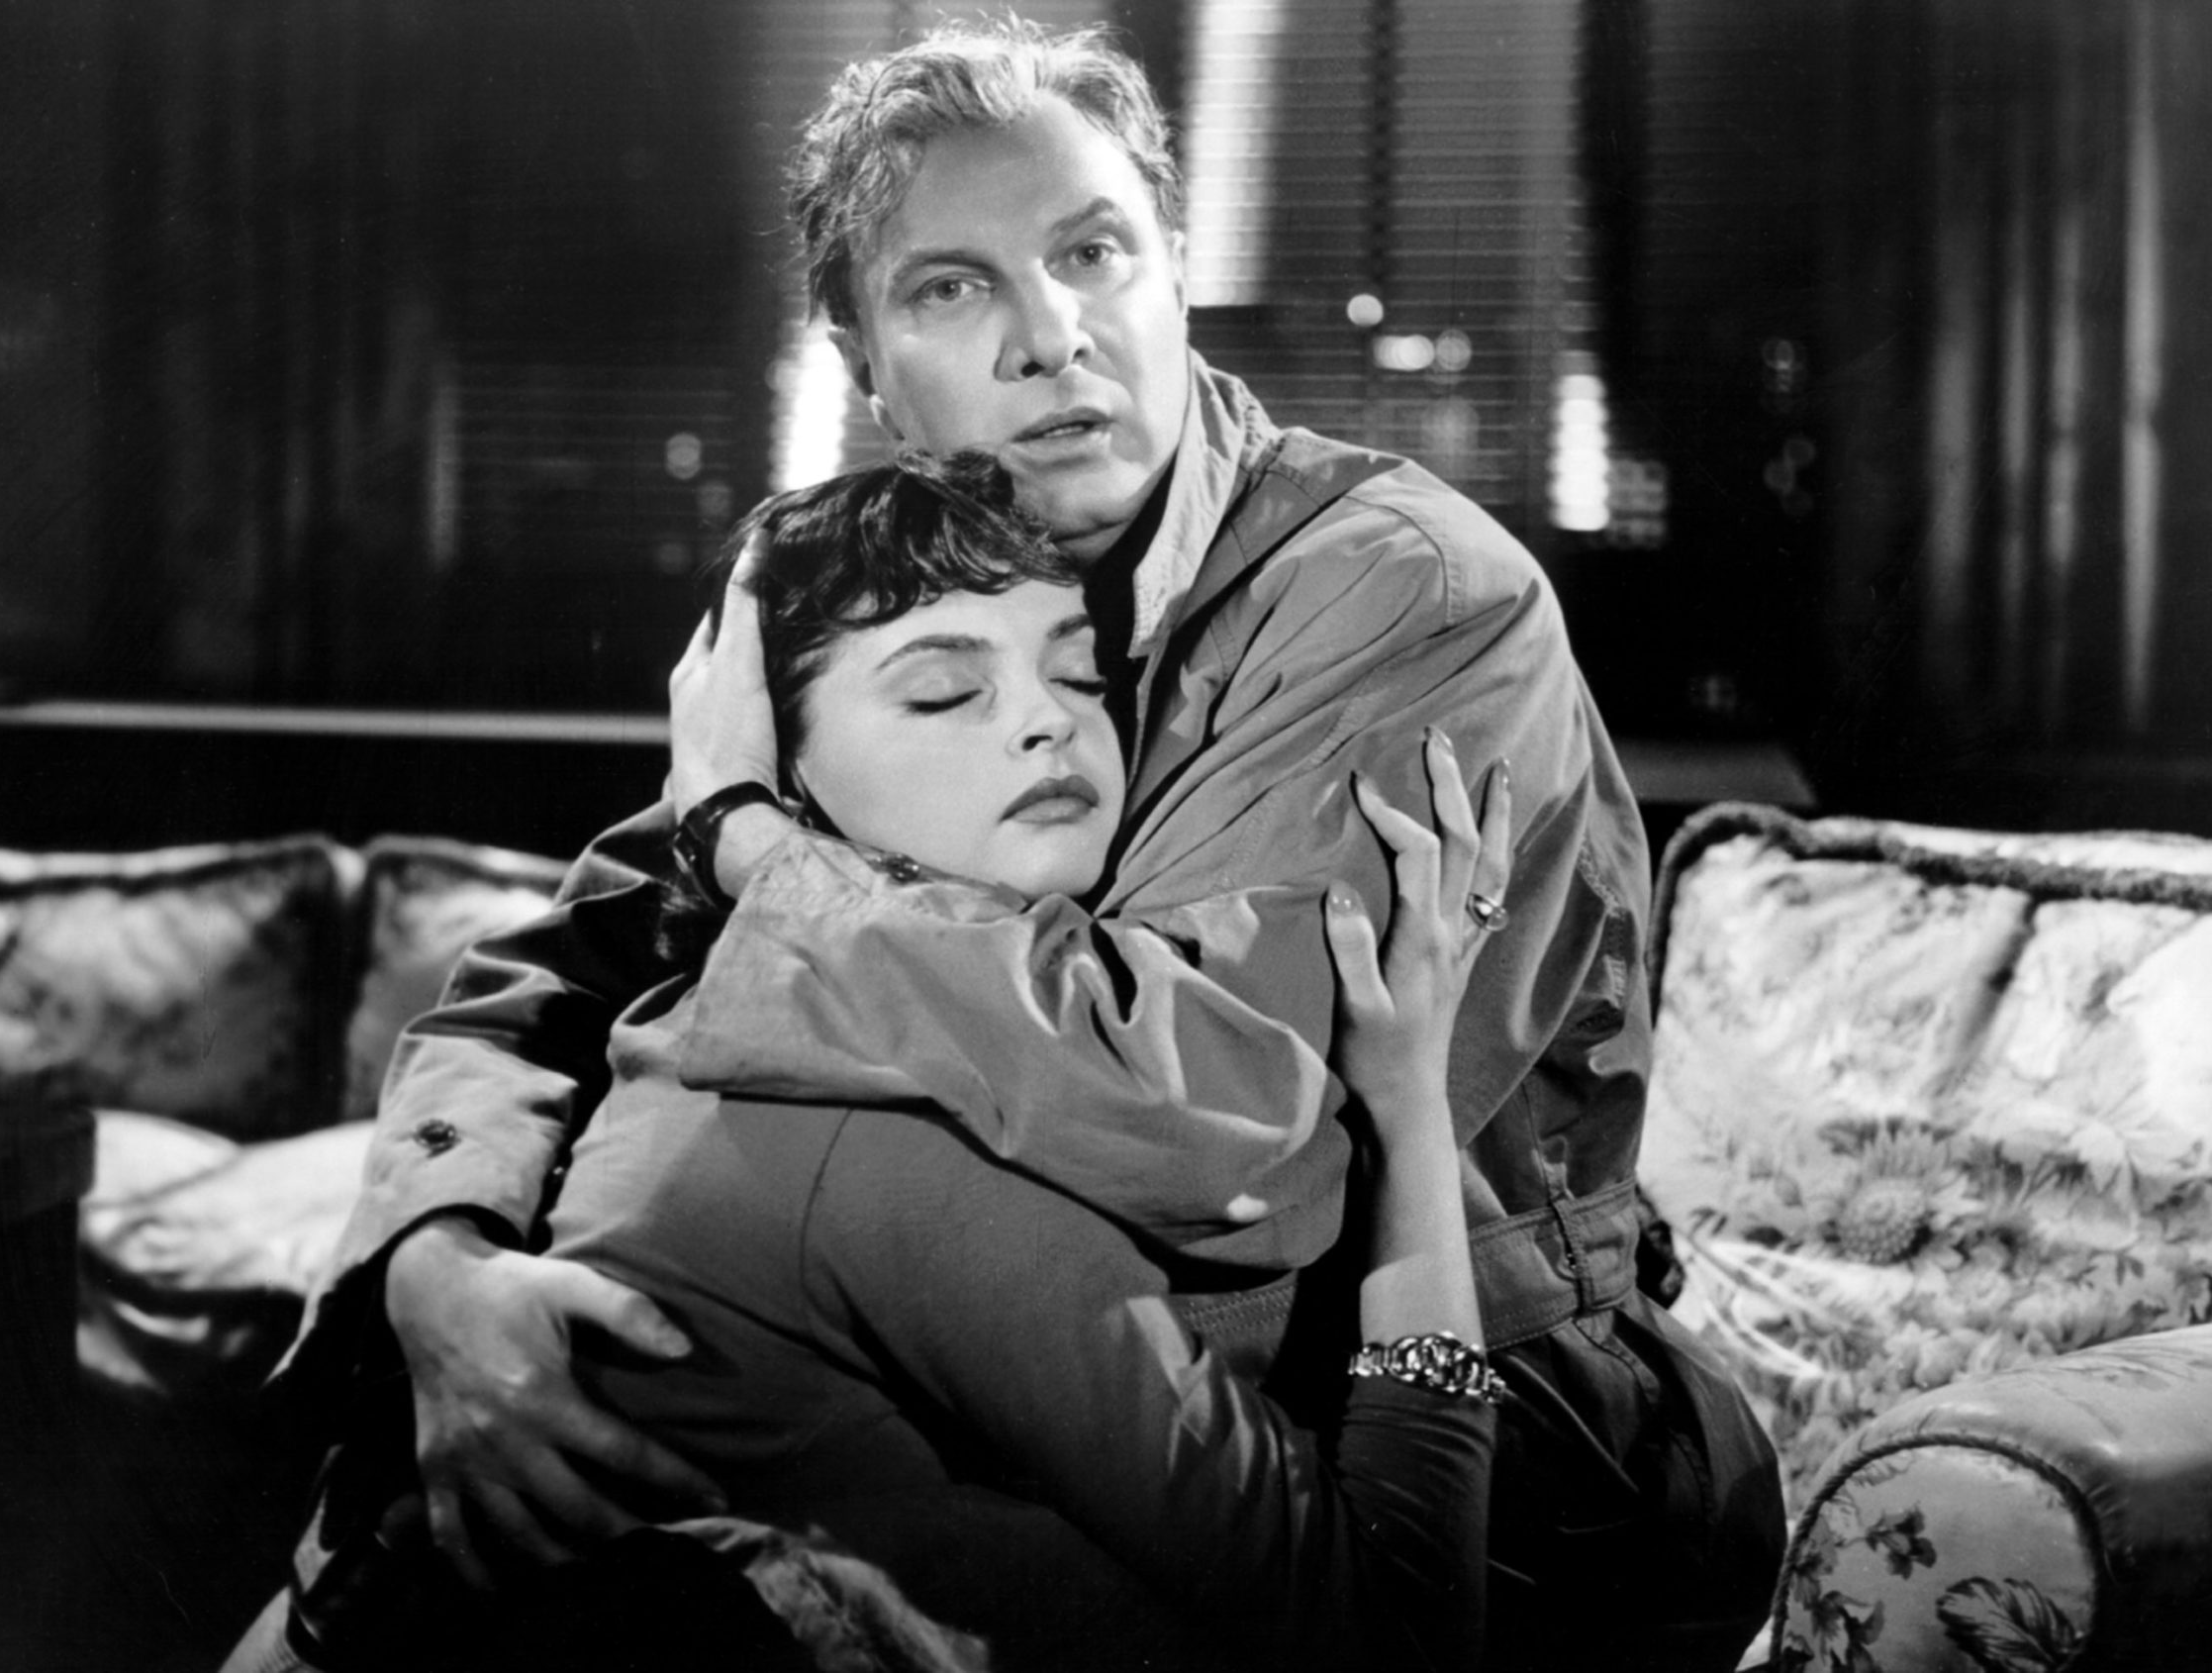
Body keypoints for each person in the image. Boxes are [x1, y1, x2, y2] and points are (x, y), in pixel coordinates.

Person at [280, 18, 1782, 1671]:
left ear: (1175, 268)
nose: (1051, 336)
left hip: (1473, 1439)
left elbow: (1232, 1147)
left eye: (1093, 254)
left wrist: (756, 842)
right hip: (1051, 1391)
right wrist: (438, 1262)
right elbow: (578, 963)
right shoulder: (897, 579)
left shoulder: (1401, 590)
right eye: (951, 286)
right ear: (863, 360)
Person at [238, 452, 1513, 1671]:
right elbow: (1393, 1628)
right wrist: (1408, 1109)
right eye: (945, 693)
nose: (1045, 724)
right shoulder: (887, 1134)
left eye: (1078, 676)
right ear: (782, 788)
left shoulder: (829, 1020)